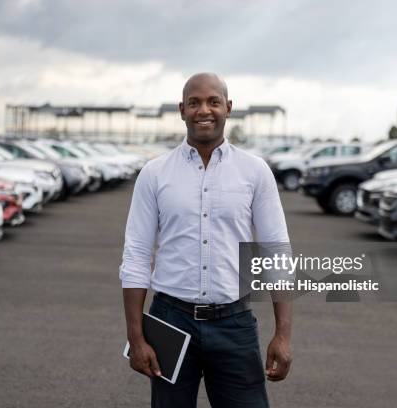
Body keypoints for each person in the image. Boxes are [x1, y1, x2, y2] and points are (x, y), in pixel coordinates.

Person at [120, 72, 292, 408]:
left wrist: (283, 334)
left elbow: (276, 253)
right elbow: (137, 255)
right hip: (170, 320)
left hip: (234, 323)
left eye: (213, 101)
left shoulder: (254, 172)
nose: (204, 110)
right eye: (195, 102)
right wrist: (136, 334)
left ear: (228, 108)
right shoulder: (155, 174)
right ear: (181, 109)